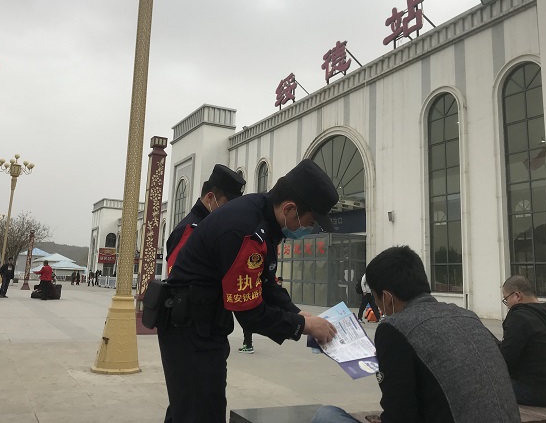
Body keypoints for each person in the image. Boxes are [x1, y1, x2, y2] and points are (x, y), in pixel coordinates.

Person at [158, 159, 339, 423]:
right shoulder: (245, 230)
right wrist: (303, 326)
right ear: (290, 209)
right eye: (309, 222)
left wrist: (298, 313)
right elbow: (250, 313)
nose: (308, 230)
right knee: (200, 412)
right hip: (189, 330)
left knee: (190, 409)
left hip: (204, 324)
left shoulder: (264, 218)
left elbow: (266, 283)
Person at [312, 245, 520, 423]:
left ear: (386, 297)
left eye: (375, 298)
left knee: (326, 415)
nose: (378, 306)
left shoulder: (394, 328)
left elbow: (400, 413)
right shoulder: (468, 316)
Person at [165, 163, 246, 275]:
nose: (231, 210)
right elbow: (177, 276)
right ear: (210, 198)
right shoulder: (189, 230)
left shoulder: (216, 228)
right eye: (227, 204)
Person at [500, 275, 546, 406]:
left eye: (506, 299)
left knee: (481, 385)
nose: (507, 305)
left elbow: (506, 360)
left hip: (532, 392)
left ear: (517, 295)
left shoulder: (519, 317)